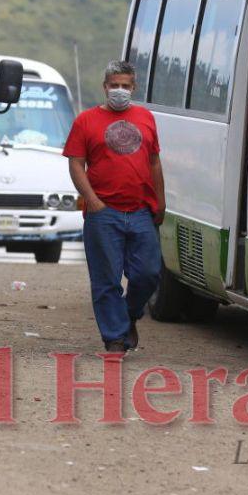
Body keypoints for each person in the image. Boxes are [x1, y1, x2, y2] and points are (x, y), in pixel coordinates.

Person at [63, 60, 165, 353]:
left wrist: (161, 200)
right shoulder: (86, 121)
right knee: (106, 279)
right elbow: (75, 163)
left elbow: (154, 161)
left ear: (134, 87)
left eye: (126, 85)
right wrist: (92, 200)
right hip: (103, 213)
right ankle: (115, 338)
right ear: (105, 87)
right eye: (114, 85)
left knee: (148, 274)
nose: (120, 90)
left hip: (141, 211)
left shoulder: (146, 118)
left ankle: (129, 315)